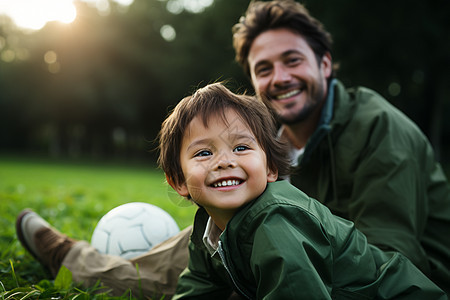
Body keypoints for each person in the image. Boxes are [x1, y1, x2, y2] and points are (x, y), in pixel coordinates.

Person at [16, 0, 450, 297]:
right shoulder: (265, 138)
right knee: (211, 236)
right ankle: (77, 259)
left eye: (293, 60)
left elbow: (398, 256)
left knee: (249, 238)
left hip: (386, 276)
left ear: (325, 64)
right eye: (264, 68)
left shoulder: (377, 128)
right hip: (290, 245)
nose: (279, 77)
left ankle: (77, 261)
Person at [160, 82, 445, 299]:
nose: (225, 162)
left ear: (272, 169)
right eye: (203, 153)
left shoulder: (277, 220)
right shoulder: (207, 233)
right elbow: (197, 287)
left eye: (241, 148)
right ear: (179, 181)